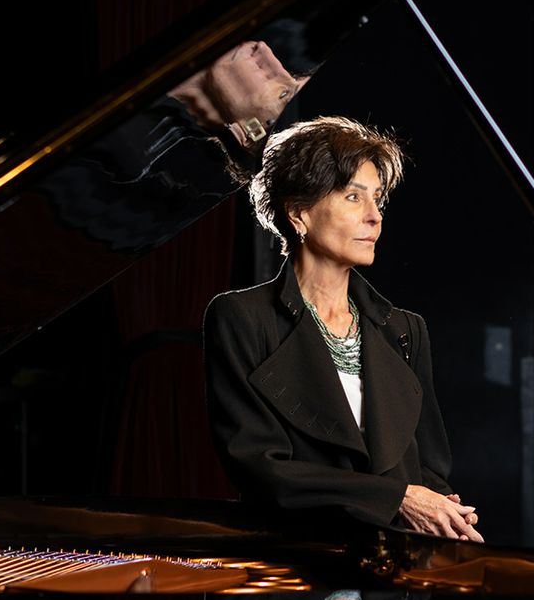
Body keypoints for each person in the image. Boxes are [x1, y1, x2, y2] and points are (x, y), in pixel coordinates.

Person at [203, 116, 484, 541]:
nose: (374, 217)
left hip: (394, 572)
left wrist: (449, 519)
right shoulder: (241, 317)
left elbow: (428, 470)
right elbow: (261, 468)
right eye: (354, 197)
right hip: (297, 568)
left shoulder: (405, 329)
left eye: (379, 201)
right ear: (299, 214)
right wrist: (398, 498)